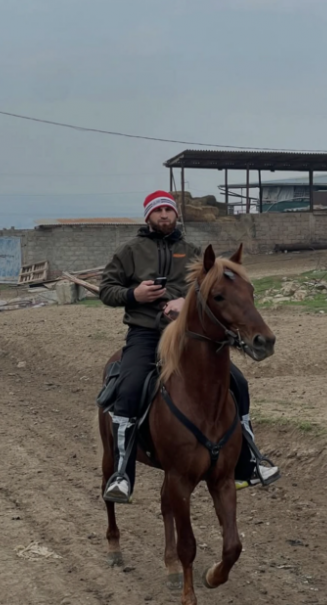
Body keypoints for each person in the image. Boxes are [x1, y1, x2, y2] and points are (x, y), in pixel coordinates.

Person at [99, 190, 280, 503]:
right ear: (148, 217)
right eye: (158, 211)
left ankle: (249, 463)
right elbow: (107, 290)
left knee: (238, 383)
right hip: (146, 334)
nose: (165, 215)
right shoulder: (130, 251)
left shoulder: (193, 252)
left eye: (169, 210)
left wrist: (185, 302)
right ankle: (122, 474)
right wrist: (134, 295)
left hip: (189, 337)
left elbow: (208, 291)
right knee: (128, 389)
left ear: (176, 215)